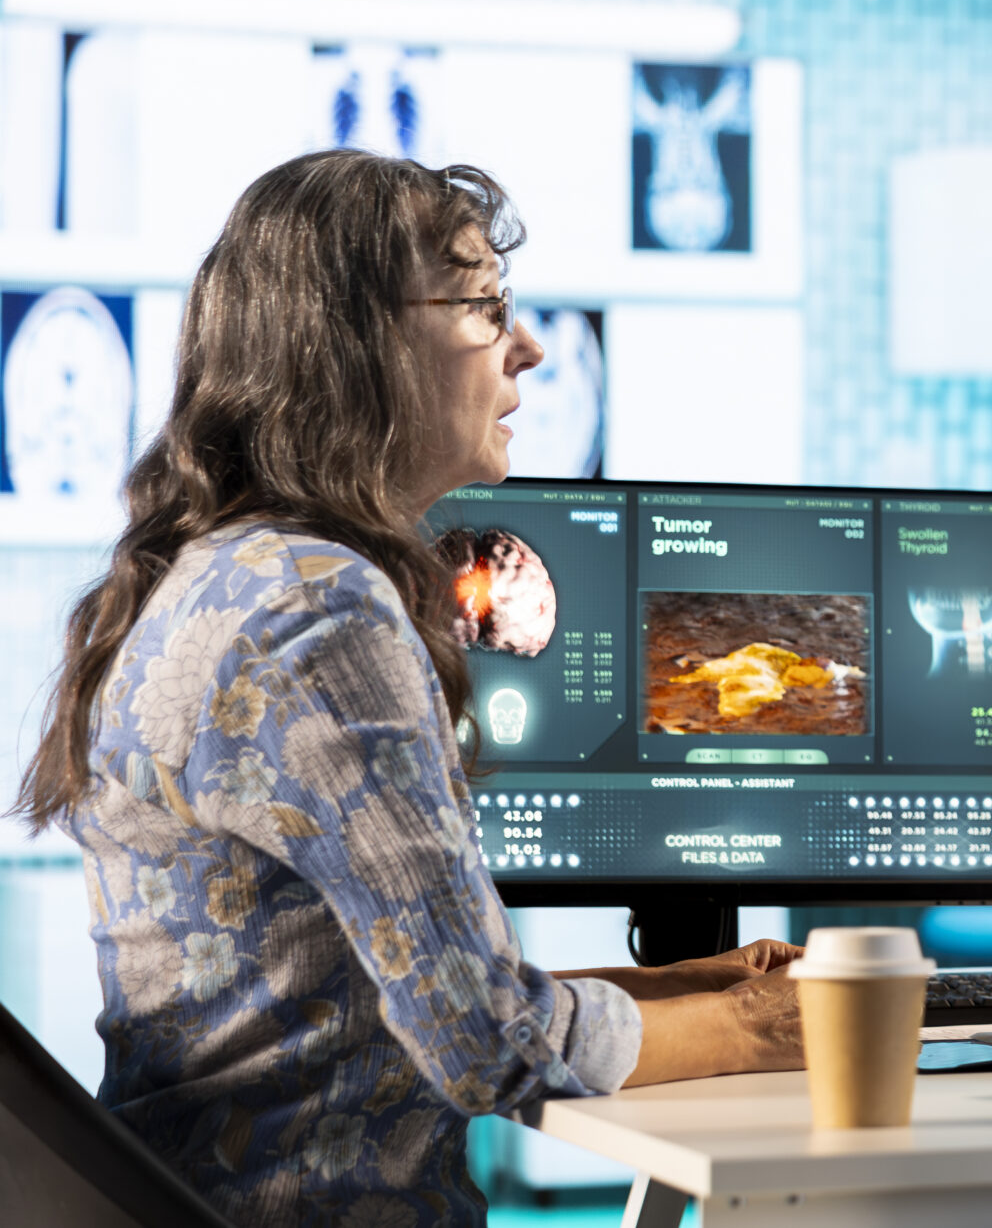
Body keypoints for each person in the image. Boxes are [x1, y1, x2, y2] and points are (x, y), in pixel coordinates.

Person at [12, 152, 803, 1228]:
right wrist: (769, 1028)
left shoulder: (220, 571)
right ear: (359, 347)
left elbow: (359, 998)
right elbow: (487, 1042)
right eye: (485, 309)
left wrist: (696, 986)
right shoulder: (320, 609)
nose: (526, 348)